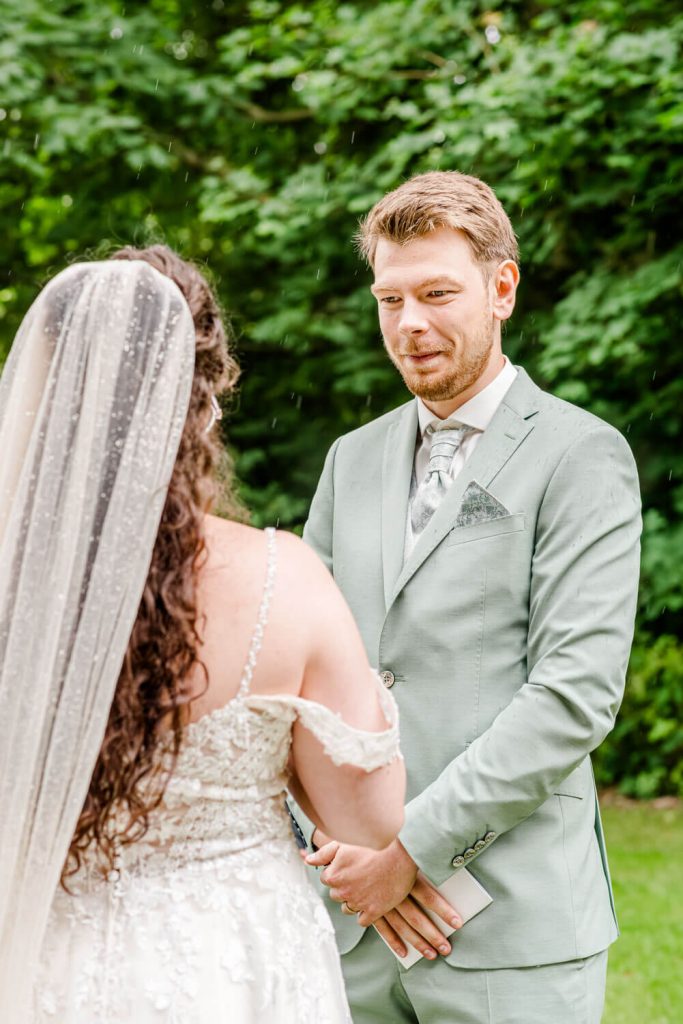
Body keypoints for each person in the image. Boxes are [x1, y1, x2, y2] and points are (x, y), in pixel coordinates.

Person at [0, 245, 405, 1024]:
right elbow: (368, 819)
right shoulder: (282, 579)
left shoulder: (15, 588)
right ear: (205, 400)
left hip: (47, 963)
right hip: (233, 963)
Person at [290, 171, 642, 1024]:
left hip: (509, 931)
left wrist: (410, 850)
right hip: (352, 936)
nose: (409, 325)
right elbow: (291, 673)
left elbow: (571, 695)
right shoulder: (351, 459)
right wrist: (341, 853)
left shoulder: (580, 455)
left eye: (437, 294)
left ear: (502, 288)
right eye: (389, 298)